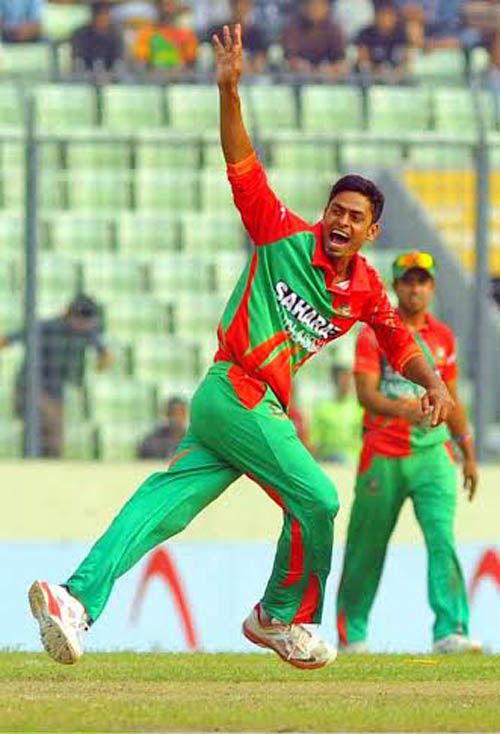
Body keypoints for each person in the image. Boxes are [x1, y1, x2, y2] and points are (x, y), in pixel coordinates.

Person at [28, 26, 453, 670]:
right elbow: (242, 165)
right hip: (238, 391)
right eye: (335, 209)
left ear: (373, 230)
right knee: (318, 498)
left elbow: (399, 340)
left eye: (354, 217)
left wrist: (435, 383)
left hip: (235, 409)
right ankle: (279, 617)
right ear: (325, 212)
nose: (340, 221)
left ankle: (75, 600)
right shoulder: (280, 234)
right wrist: (229, 92)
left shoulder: (366, 289)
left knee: (162, 507)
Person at [336, 251, 481, 655]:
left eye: (422, 281)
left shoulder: (443, 337)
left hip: (434, 456)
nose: (415, 288)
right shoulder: (374, 333)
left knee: (442, 540)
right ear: (396, 287)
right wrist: (407, 410)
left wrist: (467, 449)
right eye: (407, 281)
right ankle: (353, 635)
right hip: (384, 452)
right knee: (367, 545)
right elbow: (366, 394)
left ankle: (450, 630)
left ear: (432, 287)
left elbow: (450, 396)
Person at [0, 294, 112, 458]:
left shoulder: (88, 332)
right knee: (53, 426)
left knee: (52, 428)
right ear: (70, 316)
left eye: (88, 321)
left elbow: (105, 356)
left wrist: (102, 361)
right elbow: (8, 339)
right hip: (29, 388)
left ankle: (46, 460)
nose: (84, 325)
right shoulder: (47, 327)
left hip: (56, 392)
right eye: (81, 319)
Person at [310, 364, 362, 463]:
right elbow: (314, 442)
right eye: (342, 379)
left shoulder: (360, 409)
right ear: (335, 382)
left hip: (353, 464)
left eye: (348, 379)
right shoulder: (322, 408)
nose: (345, 383)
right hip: (329, 462)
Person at [202, 0, 269, 73]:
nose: (240, 8)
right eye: (237, 4)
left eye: (245, 5)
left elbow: (260, 62)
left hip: (250, 80)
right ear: (231, 6)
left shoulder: (256, 34)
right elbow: (214, 58)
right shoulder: (219, 32)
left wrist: (249, 68)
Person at [282, 0, 347, 75]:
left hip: (326, 78)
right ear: (304, 7)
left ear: (327, 8)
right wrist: (303, 67)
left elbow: (342, 63)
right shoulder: (292, 28)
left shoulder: (334, 30)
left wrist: (329, 69)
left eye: (320, 5)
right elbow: (289, 59)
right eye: (312, 4)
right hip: (298, 77)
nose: (315, 9)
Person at [132, 0, 198, 71]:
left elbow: (191, 62)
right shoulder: (146, 33)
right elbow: (140, 61)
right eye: (162, 5)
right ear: (156, 7)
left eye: (169, 5)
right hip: (153, 77)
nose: (165, 10)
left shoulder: (186, 34)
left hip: (179, 78)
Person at [356, 1, 412, 77]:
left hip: (396, 78)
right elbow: (362, 62)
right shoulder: (366, 34)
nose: (386, 19)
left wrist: (398, 71)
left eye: (390, 15)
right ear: (376, 16)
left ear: (395, 17)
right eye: (383, 14)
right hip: (372, 76)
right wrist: (376, 71)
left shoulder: (402, 34)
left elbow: (408, 61)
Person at [71, 1, 124, 73]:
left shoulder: (115, 34)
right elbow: (78, 58)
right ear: (93, 18)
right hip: (86, 73)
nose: (102, 21)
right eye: (99, 18)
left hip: (110, 74)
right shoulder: (81, 34)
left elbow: (118, 58)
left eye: (105, 17)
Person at [137, 395, 188, 460]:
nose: (178, 417)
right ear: (167, 415)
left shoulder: (191, 441)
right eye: (174, 413)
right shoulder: (151, 442)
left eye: (181, 413)